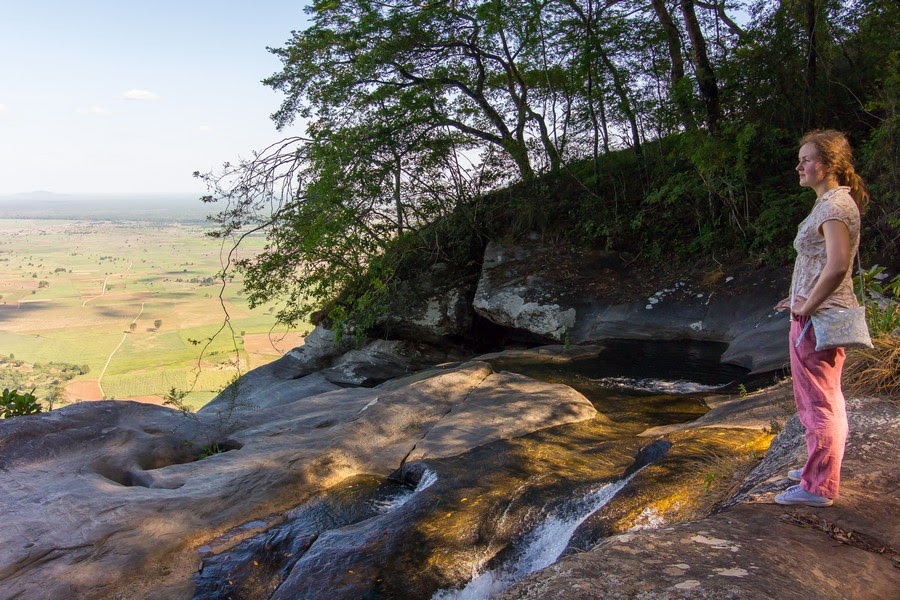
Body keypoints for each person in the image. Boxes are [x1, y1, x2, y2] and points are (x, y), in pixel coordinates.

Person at [774, 129, 869, 508]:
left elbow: (837, 265)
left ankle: (818, 487)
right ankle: (819, 467)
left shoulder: (833, 208)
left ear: (828, 166)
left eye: (807, 159)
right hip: (816, 312)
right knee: (823, 399)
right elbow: (818, 264)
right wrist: (797, 297)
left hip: (820, 318)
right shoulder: (830, 203)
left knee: (819, 404)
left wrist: (807, 306)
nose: (800, 166)